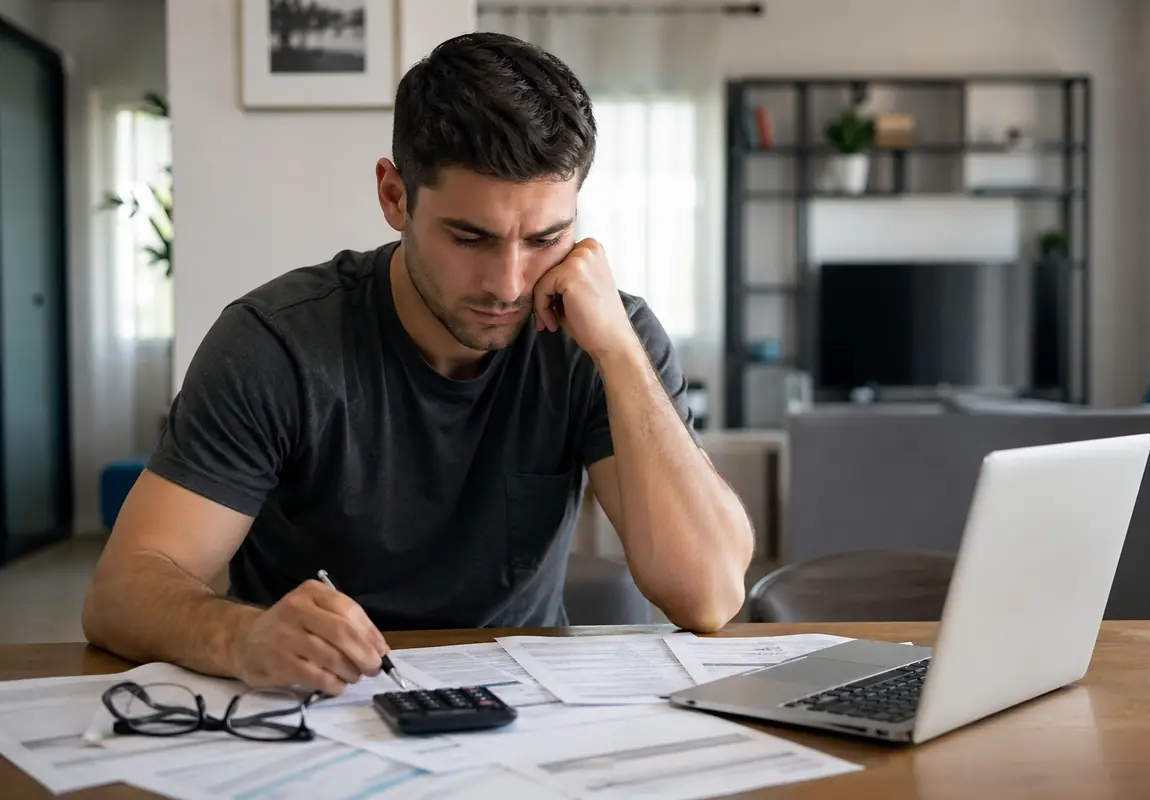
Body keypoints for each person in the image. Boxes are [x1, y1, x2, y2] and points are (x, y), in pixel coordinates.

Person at [82, 32, 754, 698]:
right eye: (471, 238)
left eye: (545, 238)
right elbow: (122, 592)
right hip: (311, 708)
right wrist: (243, 636)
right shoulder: (275, 344)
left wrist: (618, 353)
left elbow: (709, 597)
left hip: (523, 714)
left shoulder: (605, 336)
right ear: (395, 196)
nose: (509, 284)